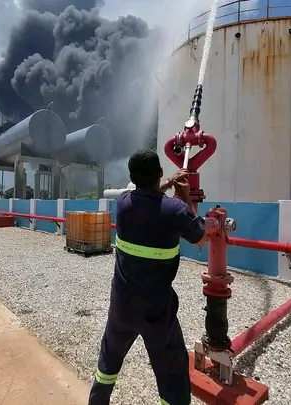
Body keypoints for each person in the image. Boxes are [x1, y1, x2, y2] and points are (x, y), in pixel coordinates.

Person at [88, 149, 208, 405]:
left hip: (121, 306)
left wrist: (166, 185)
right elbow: (200, 237)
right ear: (160, 173)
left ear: (132, 176)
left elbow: (146, 197)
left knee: (107, 366)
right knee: (171, 374)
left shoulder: (123, 204)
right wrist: (185, 197)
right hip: (157, 312)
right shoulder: (176, 210)